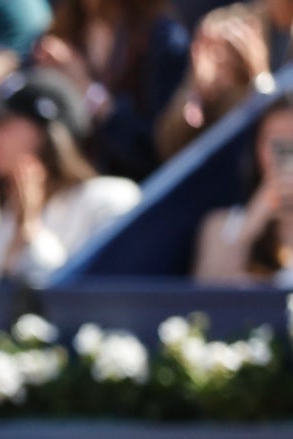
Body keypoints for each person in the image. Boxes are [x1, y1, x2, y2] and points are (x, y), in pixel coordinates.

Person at [0, 70, 142, 285]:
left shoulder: (110, 198)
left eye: (3, 122)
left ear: (47, 132)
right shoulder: (7, 215)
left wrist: (30, 233)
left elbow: (80, 298)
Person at [31, 0, 190, 181]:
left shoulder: (163, 38)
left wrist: (87, 89)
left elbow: (155, 151)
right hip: (83, 186)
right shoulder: (65, 31)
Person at [158, 3, 279, 159]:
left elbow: (281, 132)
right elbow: (167, 145)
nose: (219, 57)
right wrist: (197, 96)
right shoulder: (219, 28)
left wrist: (259, 77)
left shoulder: (278, 39)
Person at [194, 92, 293, 282]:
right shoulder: (221, 225)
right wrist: (251, 224)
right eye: (276, 143)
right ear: (257, 148)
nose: (287, 152)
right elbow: (205, 299)